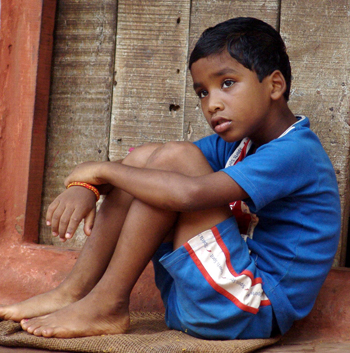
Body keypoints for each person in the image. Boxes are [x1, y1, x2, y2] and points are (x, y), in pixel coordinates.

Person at [0, 17, 340, 340]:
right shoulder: (241, 144)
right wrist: (86, 185)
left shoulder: (295, 152)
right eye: (203, 92)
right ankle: (74, 291)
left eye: (227, 83)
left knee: (174, 165)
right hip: (200, 300)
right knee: (158, 160)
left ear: (275, 85)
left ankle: (107, 303)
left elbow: (190, 194)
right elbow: (144, 163)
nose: (213, 104)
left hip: (249, 309)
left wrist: (101, 170)